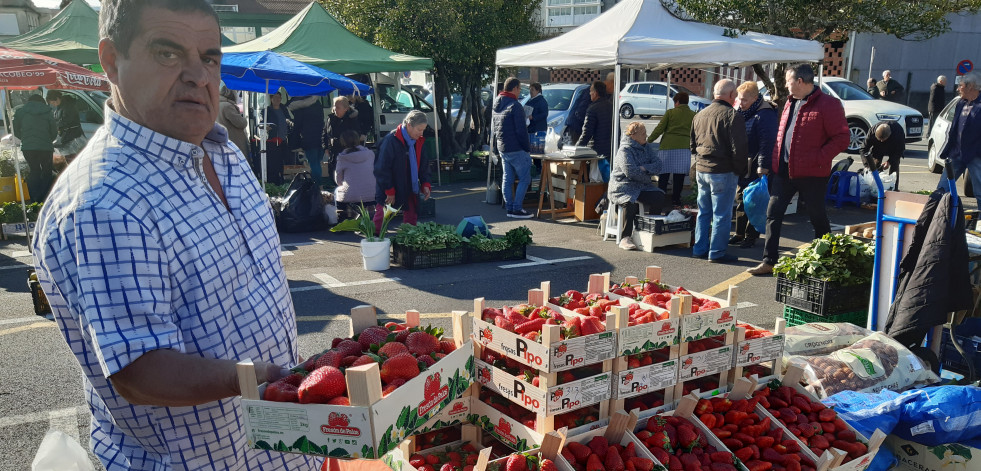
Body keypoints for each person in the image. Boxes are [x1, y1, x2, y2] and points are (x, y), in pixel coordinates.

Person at [30, 0, 316, 469]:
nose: (198, 76)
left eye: (209, 57)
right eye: (168, 53)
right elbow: (140, 371)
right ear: (110, 61)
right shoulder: (107, 202)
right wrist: (265, 377)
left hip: (280, 448)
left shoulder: (224, 152)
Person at [747, 64, 850, 276]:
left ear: (800, 81)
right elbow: (782, 135)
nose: (785, 84)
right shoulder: (789, 102)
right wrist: (773, 163)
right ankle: (769, 261)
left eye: (788, 80)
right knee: (773, 214)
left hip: (812, 173)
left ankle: (825, 260)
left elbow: (842, 138)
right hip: (784, 171)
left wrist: (819, 158)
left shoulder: (829, 104)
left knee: (817, 217)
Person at [689, 79, 748, 263]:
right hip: (723, 170)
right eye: (735, 96)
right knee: (721, 214)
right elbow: (739, 149)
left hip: (702, 169)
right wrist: (740, 171)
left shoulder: (699, 114)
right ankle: (716, 252)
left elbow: (692, 144)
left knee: (704, 211)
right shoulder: (732, 115)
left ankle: (700, 248)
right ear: (731, 95)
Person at [730, 82, 777, 249]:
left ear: (755, 98)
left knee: (755, 200)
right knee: (741, 198)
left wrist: (763, 166)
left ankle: (751, 235)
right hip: (743, 163)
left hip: (757, 165)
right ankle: (739, 233)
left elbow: (767, 141)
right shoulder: (742, 111)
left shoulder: (765, 114)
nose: (740, 103)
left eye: (744, 100)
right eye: (739, 99)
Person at [609, 121, 666, 250]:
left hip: (642, 185)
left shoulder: (646, 147)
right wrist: (647, 175)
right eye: (643, 133)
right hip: (622, 186)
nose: (646, 136)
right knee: (631, 203)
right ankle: (625, 238)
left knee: (659, 196)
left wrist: (644, 168)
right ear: (633, 135)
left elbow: (658, 164)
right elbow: (631, 172)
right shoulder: (625, 150)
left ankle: (649, 229)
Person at [374, 110, 432, 231]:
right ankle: (374, 241)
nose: (421, 133)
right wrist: (389, 190)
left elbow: (424, 164)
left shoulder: (419, 141)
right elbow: (382, 168)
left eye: (423, 130)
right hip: (390, 187)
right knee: (380, 220)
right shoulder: (390, 140)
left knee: (411, 221)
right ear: (409, 125)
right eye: (419, 129)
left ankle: (409, 244)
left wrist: (426, 183)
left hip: (410, 186)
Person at [937, 71, 981, 207]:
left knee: (980, 193)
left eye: (960, 86)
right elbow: (954, 128)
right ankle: (936, 218)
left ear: (971, 86)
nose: (957, 89)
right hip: (956, 154)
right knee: (942, 189)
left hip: (976, 156)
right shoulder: (961, 103)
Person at [492, 76, 534, 219]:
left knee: (507, 179)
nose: (519, 92)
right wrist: (527, 148)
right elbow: (521, 130)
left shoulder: (496, 104)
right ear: (515, 88)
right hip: (516, 148)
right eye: (519, 89)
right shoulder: (516, 106)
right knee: (525, 179)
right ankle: (517, 208)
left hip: (502, 147)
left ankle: (510, 207)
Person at [646, 92, 696, 206]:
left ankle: (660, 198)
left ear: (677, 102)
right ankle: (676, 200)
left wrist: (649, 140)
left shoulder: (670, 113)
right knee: (679, 177)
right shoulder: (693, 115)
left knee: (664, 175)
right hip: (684, 147)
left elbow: (660, 128)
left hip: (667, 147)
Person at [12, 94, 57, 202]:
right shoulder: (48, 111)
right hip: (45, 147)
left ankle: (34, 196)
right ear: (42, 102)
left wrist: (24, 138)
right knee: (47, 171)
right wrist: (48, 139)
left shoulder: (21, 112)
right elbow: (54, 130)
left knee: (34, 170)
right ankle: (44, 197)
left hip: (28, 147)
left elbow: (14, 129)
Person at [335, 129, 376, 218]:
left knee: (337, 191)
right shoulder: (370, 154)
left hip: (352, 195)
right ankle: (371, 215)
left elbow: (339, 180)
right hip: (372, 193)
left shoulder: (342, 157)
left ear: (343, 142)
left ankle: (348, 217)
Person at [324, 96, 361, 188]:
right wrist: (325, 147)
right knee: (333, 174)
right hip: (333, 152)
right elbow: (324, 133)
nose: (335, 109)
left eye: (338, 107)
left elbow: (356, 136)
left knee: (345, 177)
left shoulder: (352, 120)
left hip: (346, 152)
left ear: (346, 109)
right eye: (334, 106)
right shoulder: (330, 118)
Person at [288, 94, 326, 187]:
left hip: (309, 139)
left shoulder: (300, 108)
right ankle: (319, 184)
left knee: (313, 163)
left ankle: (317, 186)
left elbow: (297, 126)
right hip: (320, 137)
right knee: (317, 162)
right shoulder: (317, 104)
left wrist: (294, 142)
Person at [577, 81, 615, 161]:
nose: (589, 93)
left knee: (594, 172)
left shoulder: (592, 109)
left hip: (597, 151)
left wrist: (576, 149)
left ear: (596, 92)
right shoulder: (612, 106)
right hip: (612, 148)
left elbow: (587, 133)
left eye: (591, 91)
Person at [862, 120, 905, 189]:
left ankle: (894, 188)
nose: (881, 141)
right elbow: (863, 149)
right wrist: (866, 164)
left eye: (883, 140)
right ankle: (874, 186)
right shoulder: (872, 132)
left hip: (894, 147)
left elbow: (900, 150)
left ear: (889, 135)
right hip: (877, 147)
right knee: (873, 166)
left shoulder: (898, 131)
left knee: (895, 165)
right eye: (879, 139)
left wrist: (889, 162)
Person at [46, 90, 85, 164]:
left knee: (73, 158)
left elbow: (66, 121)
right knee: (68, 157)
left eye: (53, 102)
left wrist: (55, 125)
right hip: (66, 136)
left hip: (73, 136)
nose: (53, 105)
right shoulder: (59, 107)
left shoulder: (68, 106)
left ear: (57, 98)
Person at [262, 92, 292, 184]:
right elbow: (262, 122)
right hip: (273, 140)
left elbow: (289, 119)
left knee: (283, 160)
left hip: (283, 139)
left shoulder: (283, 108)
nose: (277, 99)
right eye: (275, 97)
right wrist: (266, 126)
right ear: (271, 99)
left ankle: (282, 178)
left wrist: (290, 124)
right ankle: (274, 181)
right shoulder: (267, 110)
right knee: (274, 161)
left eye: (279, 97)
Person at [217, 84, 250, 165]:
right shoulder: (228, 106)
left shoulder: (218, 105)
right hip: (234, 141)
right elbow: (241, 123)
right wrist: (244, 119)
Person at [526, 82, 548, 172]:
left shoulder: (541, 100)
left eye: (532, 90)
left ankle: (538, 168)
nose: (530, 92)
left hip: (538, 129)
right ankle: (535, 168)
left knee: (537, 152)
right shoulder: (530, 100)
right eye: (530, 90)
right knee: (532, 151)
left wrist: (533, 117)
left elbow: (544, 114)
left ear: (538, 90)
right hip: (531, 128)